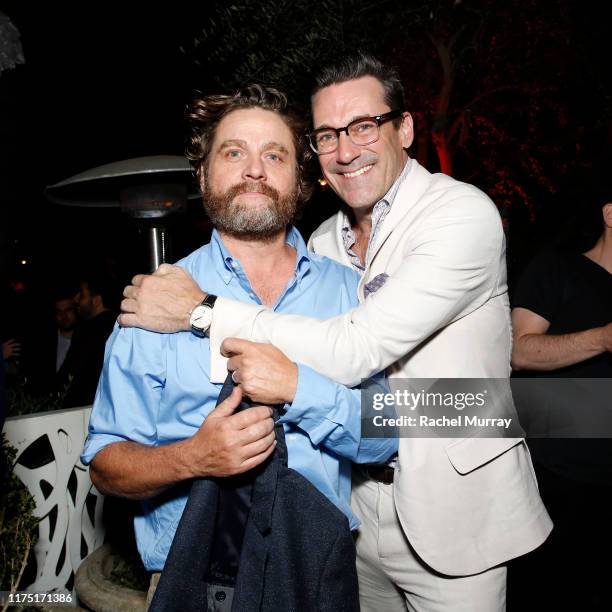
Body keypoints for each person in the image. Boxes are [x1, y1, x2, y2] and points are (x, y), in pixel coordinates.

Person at [119, 54, 552, 611]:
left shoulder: (461, 215)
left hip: (455, 510)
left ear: (406, 128)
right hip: (349, 514)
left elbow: (356, 349)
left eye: (364, 127)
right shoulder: (322, 244)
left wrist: (202, 311)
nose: (346, 151)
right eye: (327, 136)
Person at [82, 84, 396, 607]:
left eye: (274, 155)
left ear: (301, 178)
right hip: (193, 581)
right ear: (203, 176)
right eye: (234, 152)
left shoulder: (348, 293)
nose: (255, 169)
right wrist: (192, 458)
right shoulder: (155, 300)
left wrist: (302, 390)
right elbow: (106, 464)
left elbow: (385, 433)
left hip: (320, 579)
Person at [509, 177, 612, 610]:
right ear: (610, 215)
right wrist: (604, 338)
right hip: (555, 479)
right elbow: (518, 351)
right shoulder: (557, 269)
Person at [59, 272, 117, 407]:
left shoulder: (86, 331)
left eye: (82, 295)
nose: (76, 300)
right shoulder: (119, 325)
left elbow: (71, 372)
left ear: (96, 300)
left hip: (84, 409)